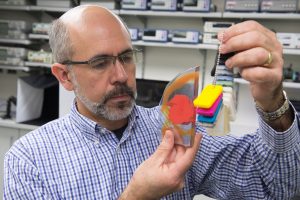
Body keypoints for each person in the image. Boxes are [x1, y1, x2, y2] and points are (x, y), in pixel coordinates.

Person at [4, 5, 300, 200]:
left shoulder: (175, 129)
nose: (121, 75)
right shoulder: (30, 160)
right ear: (64, 76)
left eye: (127, 57)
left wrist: (273, 103)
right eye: (100, 63)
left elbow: (274, 187)